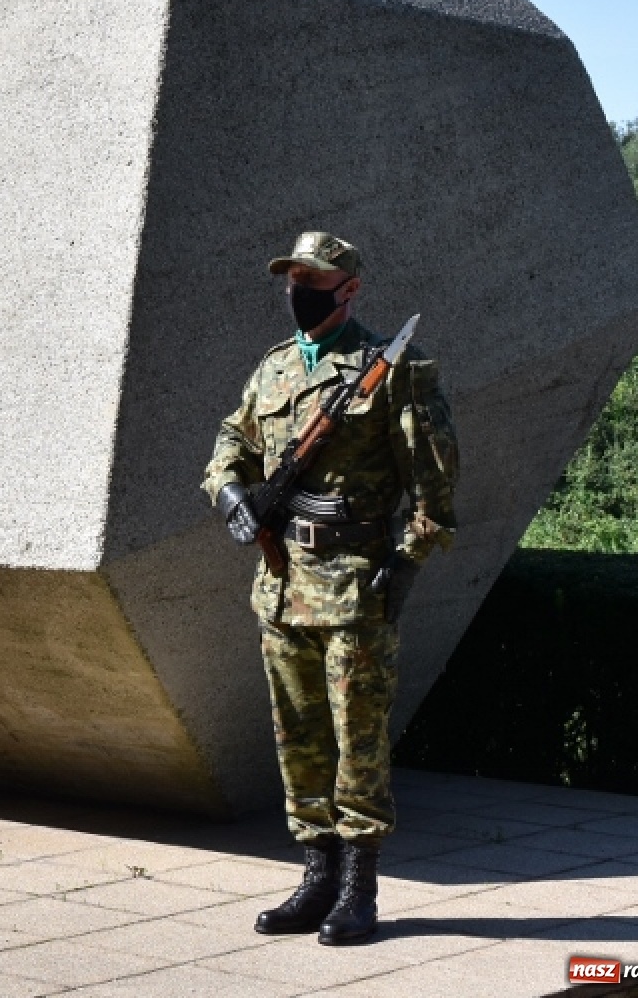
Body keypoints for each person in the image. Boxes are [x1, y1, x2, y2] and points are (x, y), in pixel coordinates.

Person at [202, 232, 458, 945]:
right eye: (293, 276)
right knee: (299, 740)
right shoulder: (276, 367)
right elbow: (231, 439)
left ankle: (359, 888)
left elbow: (435, 493)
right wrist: (232, 496)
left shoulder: (393, 371)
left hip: (353, 589)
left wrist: (403, 564)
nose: (298, 289)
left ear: (348, 289)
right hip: (281, 585)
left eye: (314, 278)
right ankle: (315, 875)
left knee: (359, 743)